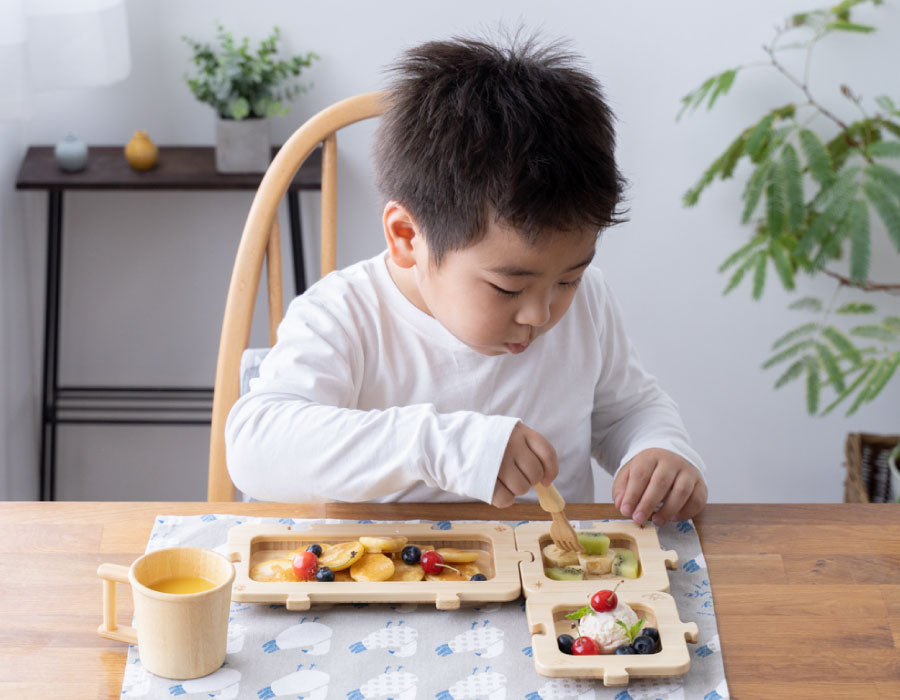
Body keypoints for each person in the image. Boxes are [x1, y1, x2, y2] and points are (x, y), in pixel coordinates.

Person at [226, 32, 708, 526]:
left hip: (553, 584)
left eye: (568, 279)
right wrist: (442, 445)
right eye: (508, 288)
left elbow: (628, 410)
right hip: (387, 581)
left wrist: (660, 449)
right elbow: (255, 446)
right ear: (407, 237)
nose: (540, 314)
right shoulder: (345, 314)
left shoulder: (590, 305)